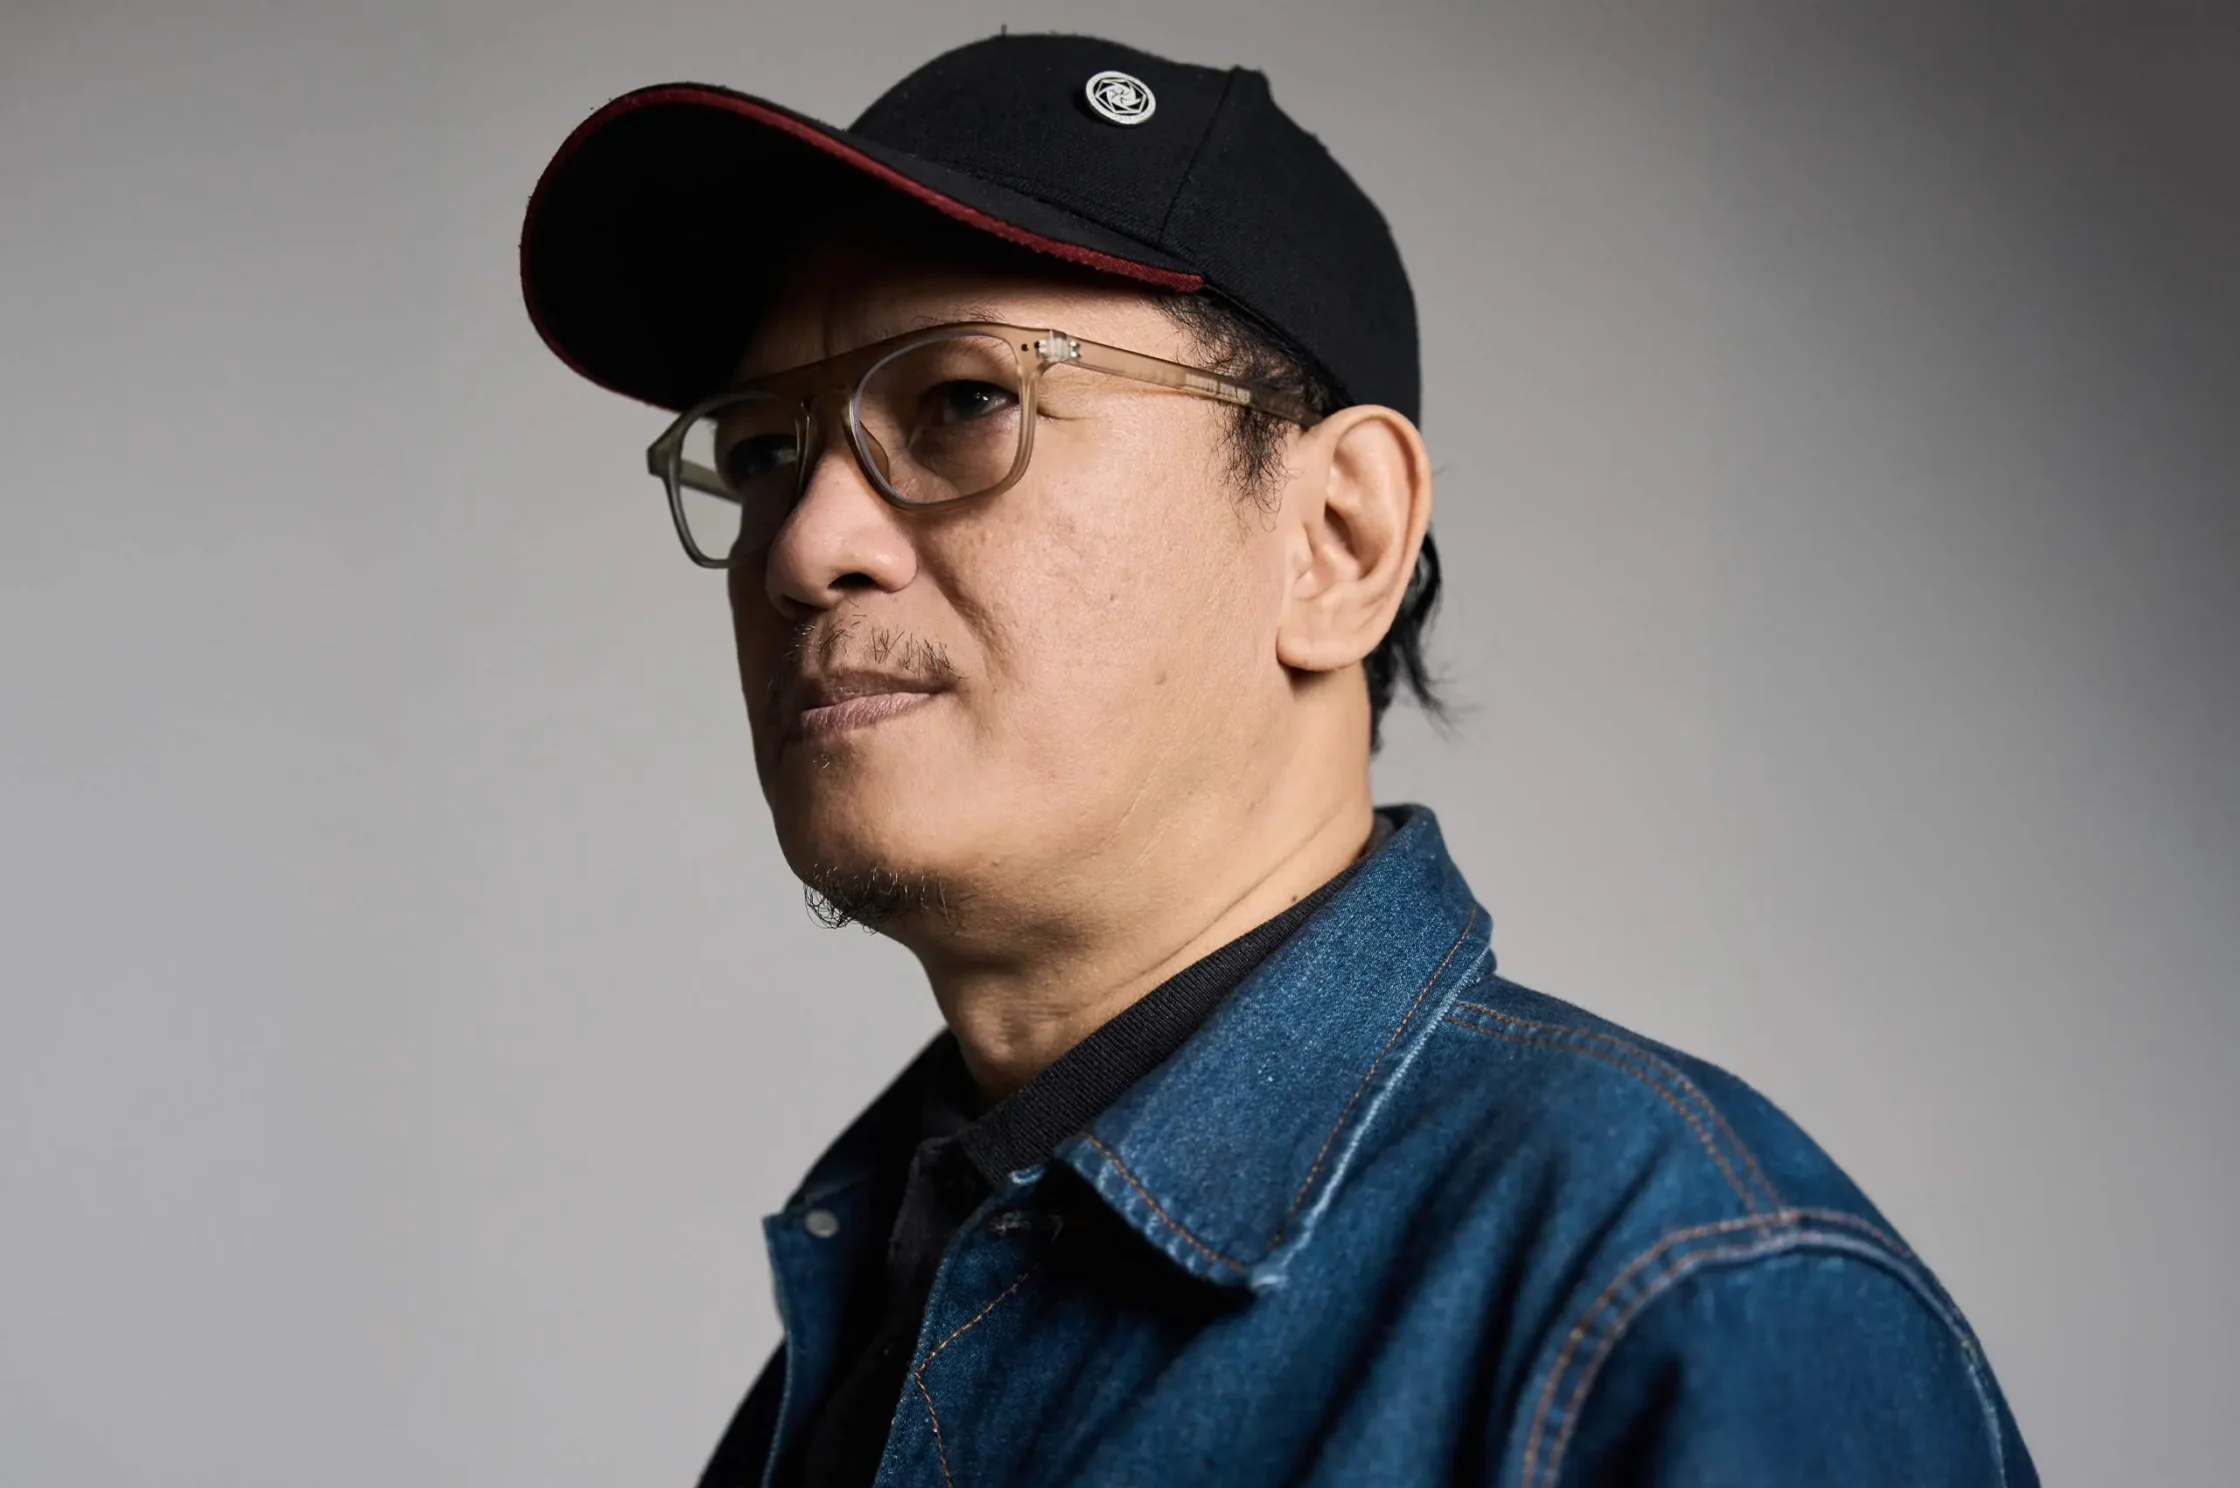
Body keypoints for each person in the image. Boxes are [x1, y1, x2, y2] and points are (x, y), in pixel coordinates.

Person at [518, 31, 2037, 1488]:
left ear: (1337, 540)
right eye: (764, 453)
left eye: (966, 401)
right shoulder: (877, 1315)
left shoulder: (1678, 1296)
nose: (806, 548)